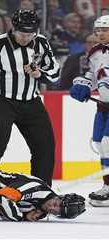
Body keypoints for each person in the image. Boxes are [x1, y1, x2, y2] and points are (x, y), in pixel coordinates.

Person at [0, 9, 60, 186]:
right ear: (13, 28)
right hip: (1, 101)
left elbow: (55, 72)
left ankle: (41, 192)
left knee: (45, 147)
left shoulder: (41, 42)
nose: (25, 38)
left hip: (31, 101)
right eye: (21, 33)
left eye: (30, 34)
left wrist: (40, 73)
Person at [69, 15, 109, 207]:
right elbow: (92, 75)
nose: (100, 33)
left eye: (105, 30)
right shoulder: (94, 52)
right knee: (100, 144)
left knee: (108, 143)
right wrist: (83, 84)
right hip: (103, 106)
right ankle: (107, 186)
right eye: (98, 30)